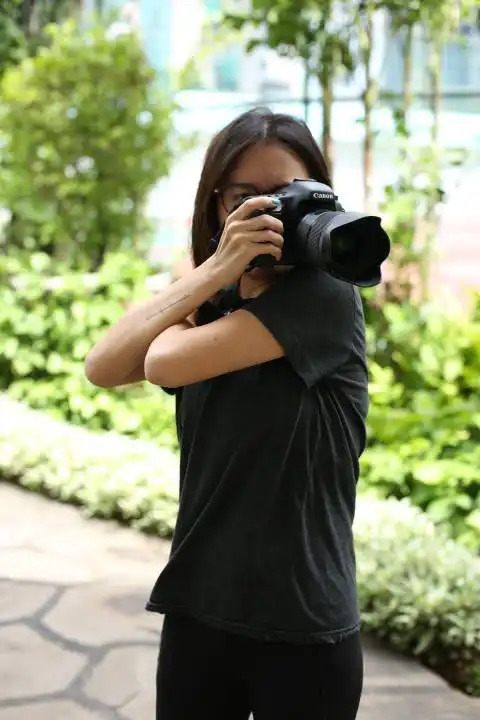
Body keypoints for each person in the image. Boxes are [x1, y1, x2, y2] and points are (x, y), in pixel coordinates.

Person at [85, 107, 367, 720]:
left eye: (288, 193)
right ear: (217, 205)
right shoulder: (216, 290)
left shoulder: (326, 299)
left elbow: (159, 364)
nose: (274, 212)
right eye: (248, 197)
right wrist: (215, 270)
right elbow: (103, 366)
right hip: (200, 610)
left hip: (303, 627)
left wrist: (187, 307)